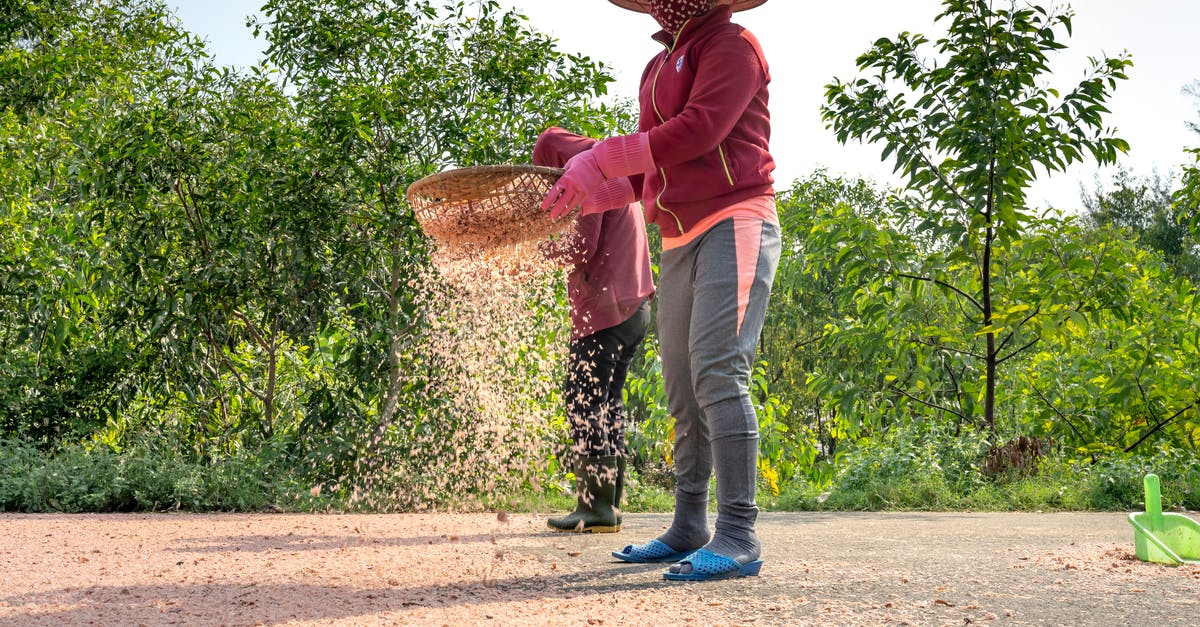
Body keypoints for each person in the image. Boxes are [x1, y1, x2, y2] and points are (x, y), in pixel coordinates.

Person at [541, 0, 779, 581]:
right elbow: (653, 170)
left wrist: (602, 154)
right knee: (681, 382)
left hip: (734, 219)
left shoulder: (731, 45)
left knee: (718, 370)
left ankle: (739, 532)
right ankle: (690, 524)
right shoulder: (657, 66)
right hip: (677, 234)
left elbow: (700, 130)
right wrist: (589, 191)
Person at [534, 127, 656, 534]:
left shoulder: (583, 175)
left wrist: (532, 249)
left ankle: (596, 507)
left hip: (605, 309)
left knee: (582, 401)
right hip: (635, 308)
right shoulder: (610, 165)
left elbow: (580, 248)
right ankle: (610, 505)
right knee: (607, 404)